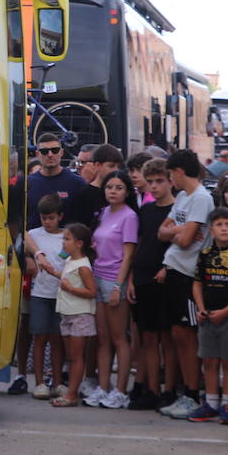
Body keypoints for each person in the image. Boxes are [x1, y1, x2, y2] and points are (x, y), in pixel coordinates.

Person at [157, 149, 213, 419]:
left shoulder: (202, 199)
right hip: (174, 270)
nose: (170, 180)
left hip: (189, 275)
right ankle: (186, 391)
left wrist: (177, 233)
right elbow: (163, 232)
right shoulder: (181, 197)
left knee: (187, 336)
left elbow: (187, 240)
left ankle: (193, 393)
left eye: (170, 174)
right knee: (178, 334)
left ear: (179, 171)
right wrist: (179, 231)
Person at [188, 208, 228, 424]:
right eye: (219, 225)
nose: (224, 228)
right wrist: (200, 308)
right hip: (207, 315)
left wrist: (226, 312)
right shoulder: (205, 254)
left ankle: (227, 403)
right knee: (209, 360)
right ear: (212, 229)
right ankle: (211, 402)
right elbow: (197, 283)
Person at [85, 170, 138, 408]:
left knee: (119, 338)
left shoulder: (129, 217)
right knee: (103, 338)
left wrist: (119, 285)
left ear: (127, 192)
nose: (113, 191)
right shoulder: (104, 213)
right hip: (97, 277)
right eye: (109, 187)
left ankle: (120, 390)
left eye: (118, 187)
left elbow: (128, 255)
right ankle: (103, 387)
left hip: (114, 280)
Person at [127, 158, 175, 410]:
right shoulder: (145, 211)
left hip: (166, 280)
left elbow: (183, 246)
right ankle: (151, 390)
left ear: (170, 181)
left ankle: (169, 390)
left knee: (167, 338)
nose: (154, 186)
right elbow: (141, 244)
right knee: (147, 337)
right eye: (151, 181)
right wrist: (132, 279)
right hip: (143, 276)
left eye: (160, 181)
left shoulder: (178, 210)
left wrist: (167, 267)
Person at [42, 223, 97, 407]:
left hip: (79, 314)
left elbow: (91, 291)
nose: (63, 242)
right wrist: (53, 272)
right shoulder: (70, 261)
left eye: (67, 239)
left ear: (79, 243)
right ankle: (70, 392)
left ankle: (72, 394)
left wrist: (71, 289)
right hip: (67, 312)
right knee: (71, 356)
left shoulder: (83, 266)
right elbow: (67, 278)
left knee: (76, 356)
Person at [19, 194, 67, 398]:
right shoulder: (35, 234)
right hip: (39, 293)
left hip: (60, 294)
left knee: (57, 339)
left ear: (60, 216)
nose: (47, 222)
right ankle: (39, 383)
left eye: (51, 218)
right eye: (44, 218)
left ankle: (57, 382)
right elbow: (24, 235)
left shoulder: (66, 236)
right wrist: (34, 255)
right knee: (39, 337)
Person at [25, 133, 86, 230]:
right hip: (34, 243)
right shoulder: (27, 183)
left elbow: (84, 221)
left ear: (61, 152)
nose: (50, 155)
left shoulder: (77, 183)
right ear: (37, 154)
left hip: (66, 243)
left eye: (55, 150)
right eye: (44, 151)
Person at [66, 143, 123, 230]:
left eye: (83, 163)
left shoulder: (122, 191)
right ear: (97, 165)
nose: (78, 166)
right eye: (78, 162)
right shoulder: (82, 193)